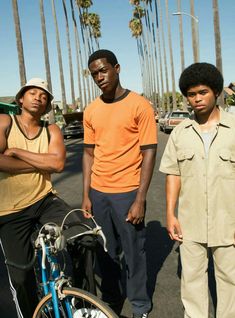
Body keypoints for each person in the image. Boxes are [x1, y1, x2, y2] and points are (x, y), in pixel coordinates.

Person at [81, 49, 157, 318]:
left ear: (117, 68)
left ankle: (139, 305)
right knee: (106, 251)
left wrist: (140, 198)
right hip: (98, 193)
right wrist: (86, 194)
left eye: (103, 70)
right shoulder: (91, 110)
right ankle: (110, 300)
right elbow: (88, 153)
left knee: (134, 253)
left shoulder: (139, 105)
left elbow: (149, 151)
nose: (99, 77)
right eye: (94, 74)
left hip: (127, 192)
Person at [159, 62, 235, 318]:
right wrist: (170, 214)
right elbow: (173, 174)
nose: (197, 99)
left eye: (202, 92)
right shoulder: (180, 133)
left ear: (215, 92)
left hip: (229, 222)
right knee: (191, 283)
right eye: (191, 95)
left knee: (231, 283)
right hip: (190, 224)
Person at [0, 78, 75, 318]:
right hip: (9, 211)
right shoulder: (4, 122)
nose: (38, 97)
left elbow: (58, 163)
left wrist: (17, 153)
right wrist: (40, 164)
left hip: (44, 200)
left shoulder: (50, 129)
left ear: (47, 105)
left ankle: (77, 302)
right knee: (21, 278)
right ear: (21, 99)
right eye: (32, 93)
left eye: (43, 95)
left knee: (82, 237)